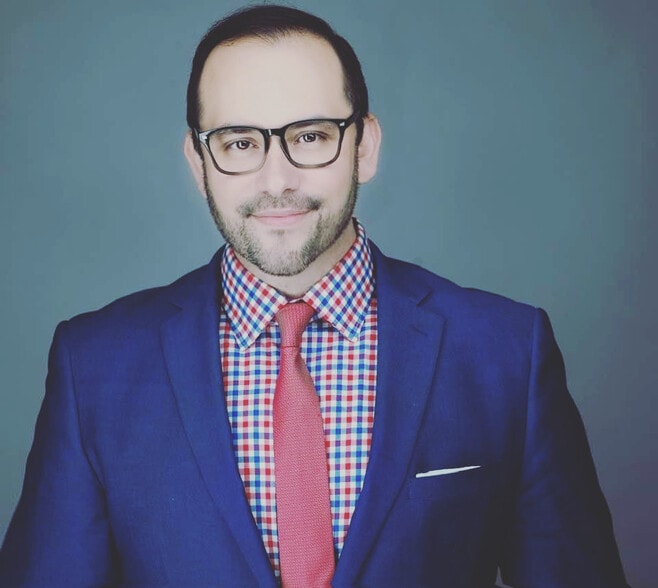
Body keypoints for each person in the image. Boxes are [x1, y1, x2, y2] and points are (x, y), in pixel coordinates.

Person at [0, 5, 627, 587]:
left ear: (364, 146)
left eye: (310, 135)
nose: (277, 180)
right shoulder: (95, 366)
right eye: (239, 142)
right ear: (198, 163)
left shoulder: (506, 352)